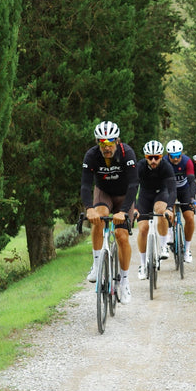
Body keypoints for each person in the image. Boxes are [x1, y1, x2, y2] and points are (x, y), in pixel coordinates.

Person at [81, 120, 138, 304]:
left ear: (117, 141)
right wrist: (89, 209)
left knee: (121, 235)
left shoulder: (127, 153)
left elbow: (133, 184)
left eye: (110, 143)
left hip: (124, 195)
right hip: (103, 193)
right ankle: (97, 265)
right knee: (98, 217)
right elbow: (85, 185)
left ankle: (125, 281)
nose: (107, 147)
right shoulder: (91, 156)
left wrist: (123, 211)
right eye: (103, 144)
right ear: (98, 143)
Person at [135, 140, 177, 280]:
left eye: (156, 157)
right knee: (143, 228)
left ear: (161, 156)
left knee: (161, 210)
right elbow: (132, 188)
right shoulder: (140, 166)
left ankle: (164, 245)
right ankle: (142, 264)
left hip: (161, 192)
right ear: (145, 157)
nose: (153, 160)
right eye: (150, 157)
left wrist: (170, 208)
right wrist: (134, 207)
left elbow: (172, 190)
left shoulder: (166, 166)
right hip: (145, 195)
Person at [165, 140, 196, 263]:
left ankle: (187, 249)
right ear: (168, 155)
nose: (176, 159)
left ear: (181, 154)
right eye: (173, 156)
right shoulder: (164, 162)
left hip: (184, 190)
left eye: (178, 155)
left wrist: (192, 199)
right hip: (168, 190)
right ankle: (170, 233)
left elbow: (192, 180)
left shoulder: (187, 161)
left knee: (190, 217)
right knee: (168, 212)